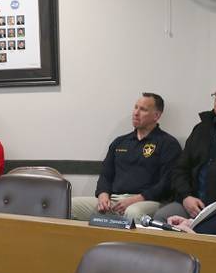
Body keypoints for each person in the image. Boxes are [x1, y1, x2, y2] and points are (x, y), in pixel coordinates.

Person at [71, 93, 182, 221]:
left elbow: (167, 183)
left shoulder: (167, 143)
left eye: (143, 109)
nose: (136, 113)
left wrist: (136, 199)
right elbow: (106, 175)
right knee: (70, 206)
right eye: (136, 107)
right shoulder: (120, 142)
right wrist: (103, 195)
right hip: (113, 201)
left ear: (156, 116)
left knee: (133, 213)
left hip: (147, 201)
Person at [155, 88, 216, 222]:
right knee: (162, 218)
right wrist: (186, 197)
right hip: (192, 202)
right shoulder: (201, 129)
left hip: (215, 208)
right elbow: (180, 169)